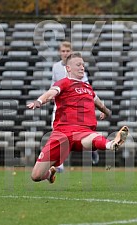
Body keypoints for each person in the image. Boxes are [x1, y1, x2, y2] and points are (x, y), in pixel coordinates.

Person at [27, 52, 129, 183]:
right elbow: (51, 93)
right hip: (62, 133)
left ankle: (112, 144)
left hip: (83, 131)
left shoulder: (88, 87)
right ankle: (49, 174)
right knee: (36, 176)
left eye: (83, 65)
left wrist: (107, 112)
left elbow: (99, 103)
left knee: (92, 138)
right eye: (78, 65)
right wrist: (39, 101)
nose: (82, 67)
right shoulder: (64, 83)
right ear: (68, 68)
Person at [51, 41, 99, 173]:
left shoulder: (78, 67)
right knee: (57, 132)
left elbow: (86, 86)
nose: (65, 53)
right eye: (63, 51)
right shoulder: (55, 67)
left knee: (80, 133)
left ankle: (91, 150)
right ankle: (59, 164)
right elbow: (54, 83)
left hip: (76, 107)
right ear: (60, 52)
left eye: (67, 51)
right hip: (61, 106)